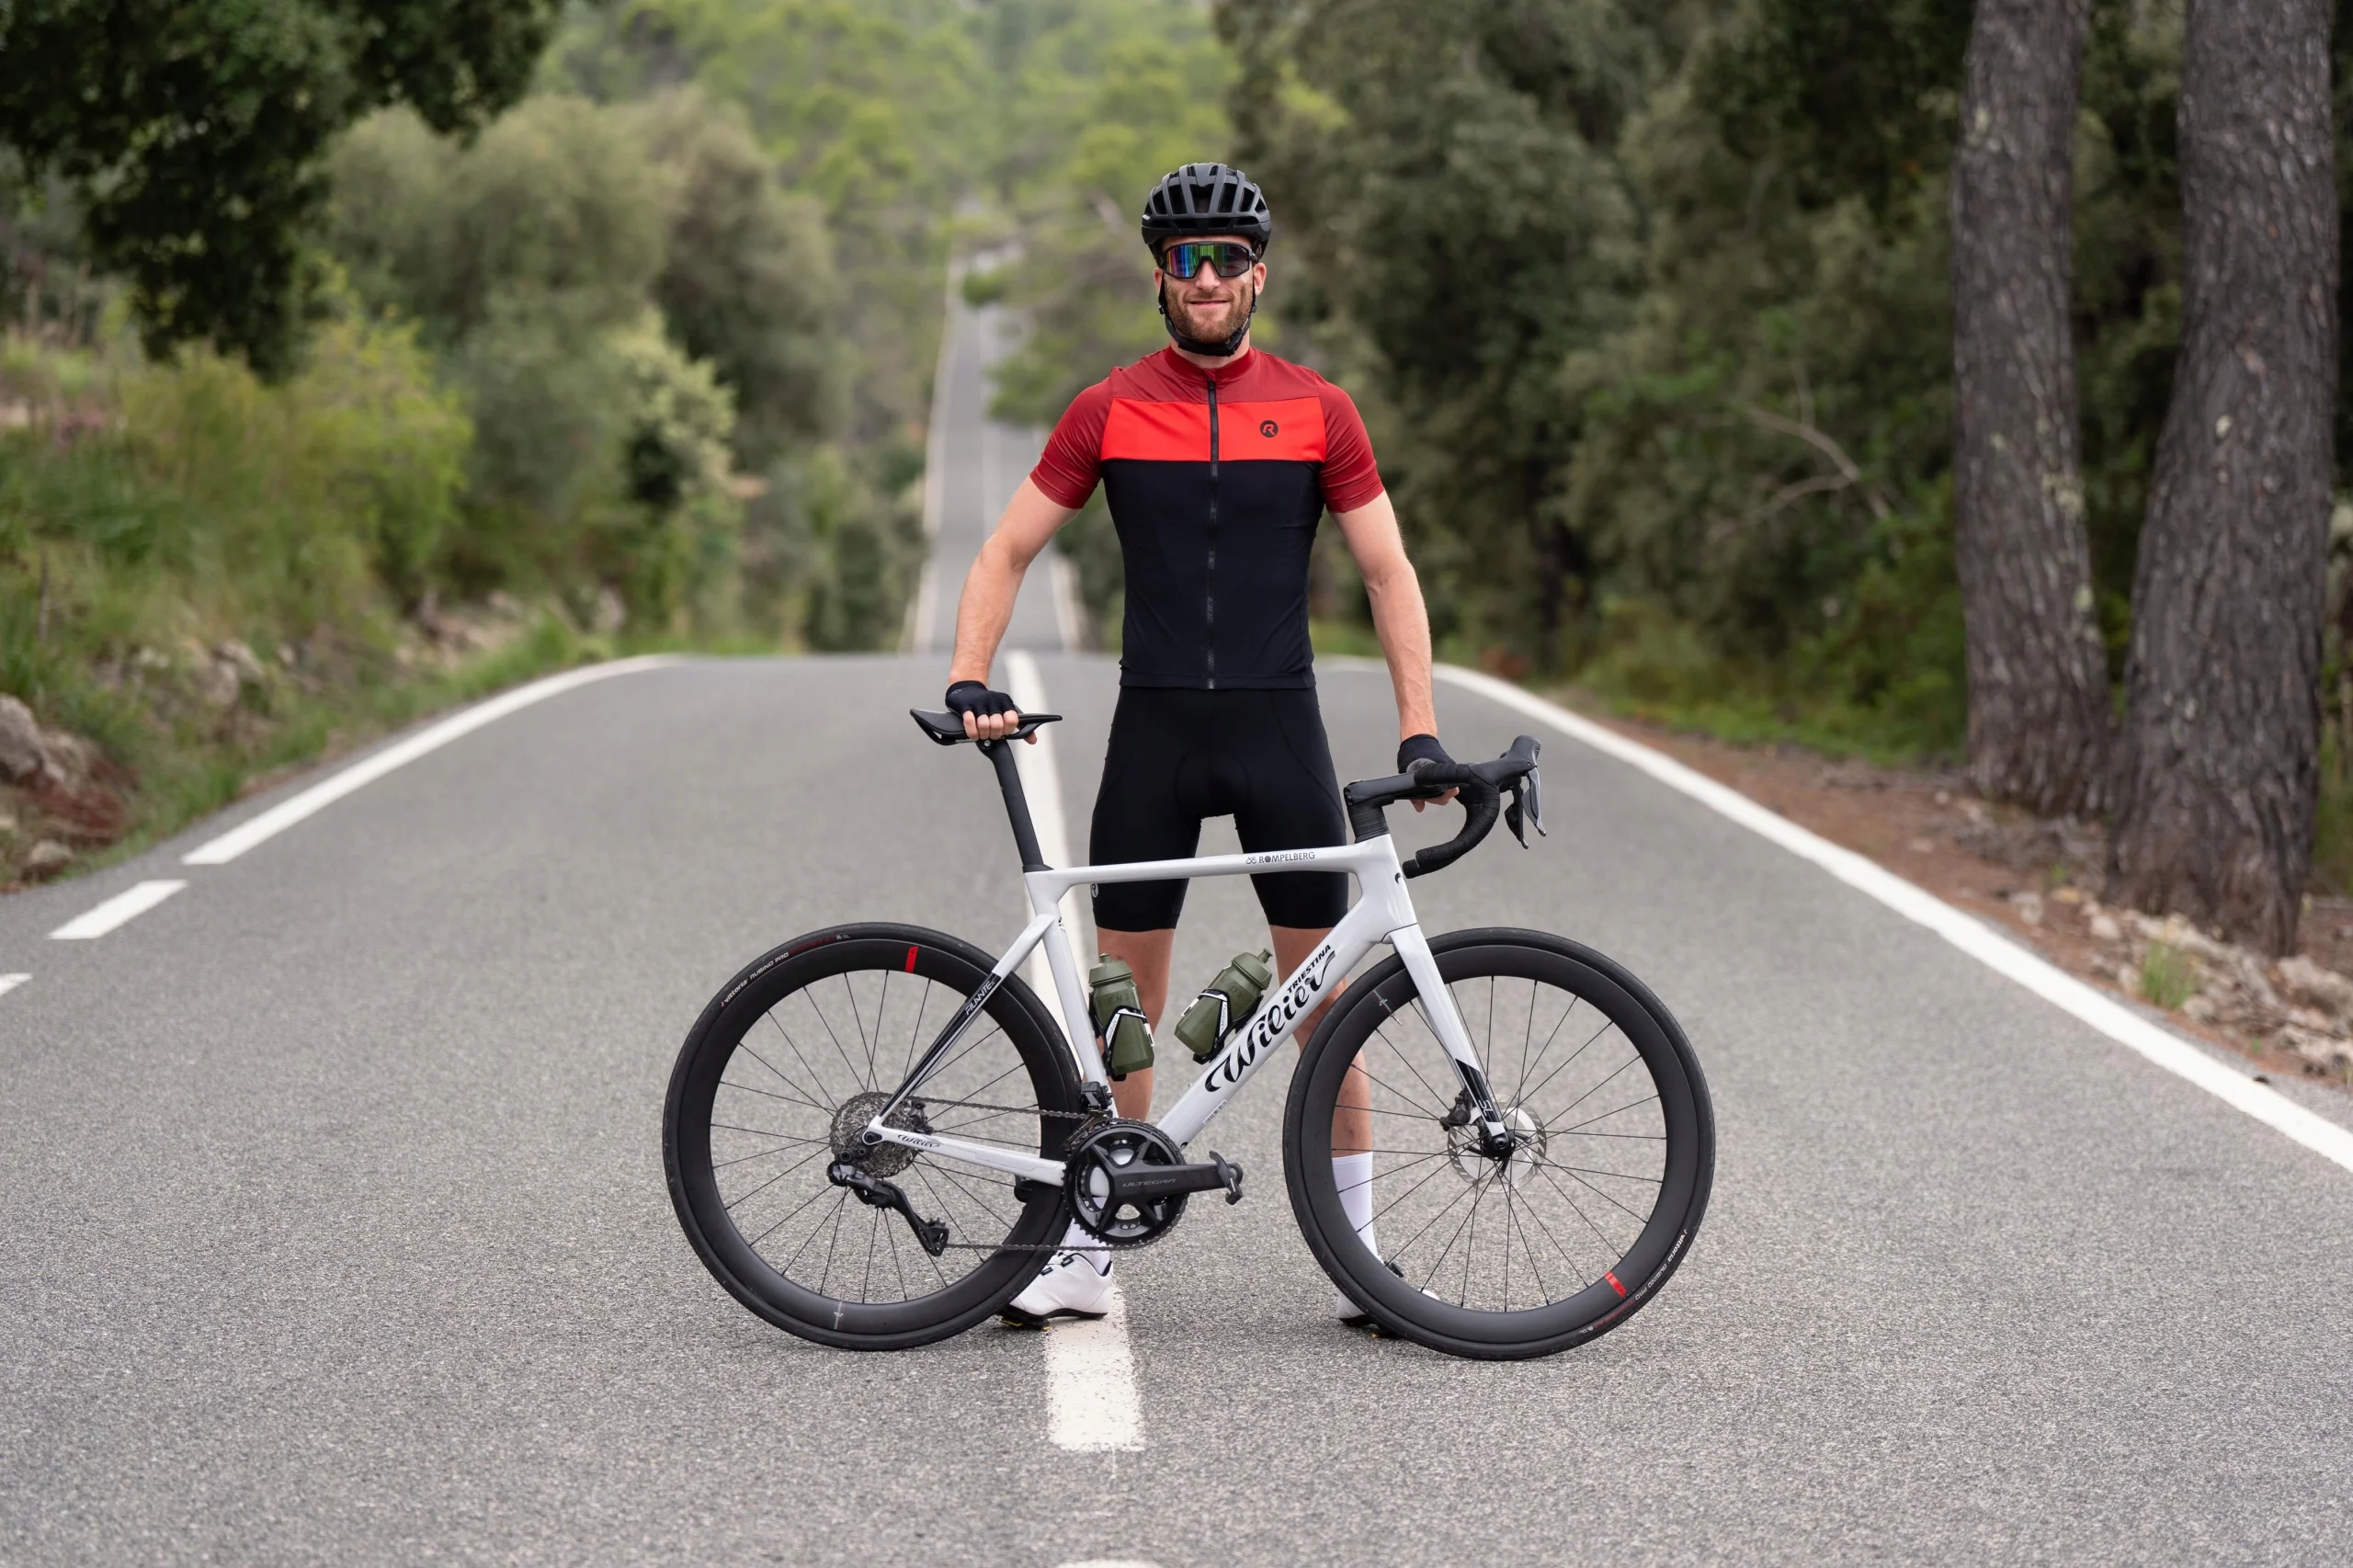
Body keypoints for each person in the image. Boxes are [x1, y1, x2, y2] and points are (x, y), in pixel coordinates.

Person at [941, 163, 1454, 1326]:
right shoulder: (1108, 408)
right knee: (1120, 1007)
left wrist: (1419, 729)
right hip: (1155, 731)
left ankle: (1368, 1262)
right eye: (1187, 260)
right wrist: (969, 671)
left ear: (1258, 275)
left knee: (1327, 1006)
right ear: (1160, 278)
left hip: (1279, 730)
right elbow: (1005, 550)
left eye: (1227, 259)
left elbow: (1388, 571)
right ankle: (1085, 1256)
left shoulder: (1320, 410)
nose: (1207, 277)